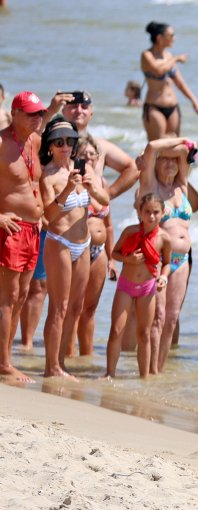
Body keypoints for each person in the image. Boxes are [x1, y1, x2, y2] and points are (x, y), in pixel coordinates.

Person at [38, 119, 106, 379]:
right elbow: (49, 215)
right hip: (60, 243)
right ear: (51, 146)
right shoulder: (48, 175)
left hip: (84, 242)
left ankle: (61, 363)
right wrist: (67, 188)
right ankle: (51, 366)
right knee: (59, 307)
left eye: (69, 141)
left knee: (76, 308)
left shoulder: (85, 168)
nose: (65, 146)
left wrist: (91, 187)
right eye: (59, 142)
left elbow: (104, 201)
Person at [139, 136, 198, 374]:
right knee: (158, 318)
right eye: (164, 161)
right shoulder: (150, 186)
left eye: (174, 161)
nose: (170, 165)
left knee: (172, 319)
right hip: (159, 260)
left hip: (182, 261)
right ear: (155, 163)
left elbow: (186, 151)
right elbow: (152, 147)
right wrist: (182, 140)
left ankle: (159, 372)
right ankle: (150, 370)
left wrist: (182, 149)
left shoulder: (181, 185)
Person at [0, 91, 47, 384]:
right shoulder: (1, 143)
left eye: (40, 113)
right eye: (31, 113)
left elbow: (34, 182)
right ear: (15, 113)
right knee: (8, 298)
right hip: (11, 229)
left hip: (33, 229)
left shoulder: (34, 140)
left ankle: (6, 357)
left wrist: (41, 214)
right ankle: (4, 365)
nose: (37, 118)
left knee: (21, 298)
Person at [104, 193, 171, 379]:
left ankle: (144, 378)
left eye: (156, 212)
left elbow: (167, 263)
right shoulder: (130, 231)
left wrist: (164, 277)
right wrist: (128, 259)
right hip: (126, 285)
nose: (151, 216)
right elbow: (115, 253)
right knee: (116, 329)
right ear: (140, 212)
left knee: (144, 333)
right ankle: (109, 373)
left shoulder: (164, 238)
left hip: (148, 288)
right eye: (147, 212)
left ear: (163, 213)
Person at [74, 135, 115, 358]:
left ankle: (85, 358)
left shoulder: (103, 183)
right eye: (83, 155)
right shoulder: (72, 181)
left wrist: (112, 258)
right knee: (72, 308)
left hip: (98, 252)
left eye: (92, 154)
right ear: (76, 156)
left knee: (89, 309)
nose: (88, 158)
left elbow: (108, 226)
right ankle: (66, 357)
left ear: (98, 157)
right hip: (77, 248)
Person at [60, 90, 141, 201]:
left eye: (84, 107)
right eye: (74, 106)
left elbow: (134, 168)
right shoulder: (53, 144)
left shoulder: (100, 146)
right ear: (63, 111)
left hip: (95, 214)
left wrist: (108, 194)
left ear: (91, 113)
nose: (79, 110)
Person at [140, 21, 198, 140]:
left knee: (174, 144)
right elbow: (158, 70)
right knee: (157, 146)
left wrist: (195, 101)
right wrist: (176, 58)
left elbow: (180, 83)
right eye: (171, 35)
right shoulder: (147, 55)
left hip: (173, 107)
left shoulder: (169, 56)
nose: (174, 38)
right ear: (159, 38)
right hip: (155, 107)